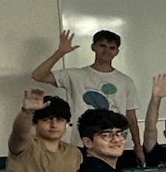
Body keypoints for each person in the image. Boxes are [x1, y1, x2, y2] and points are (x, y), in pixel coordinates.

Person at [33, 28, 142, 157]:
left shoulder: (125, 81)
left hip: (118, 144)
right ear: (93, 47)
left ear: (117, 52)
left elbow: (131, 117)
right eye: (102, 46)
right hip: (84, 143)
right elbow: (38, 75)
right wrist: (60, 52)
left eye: (111, 48)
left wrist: (138, 146)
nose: (106, 51)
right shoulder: (76, 75)